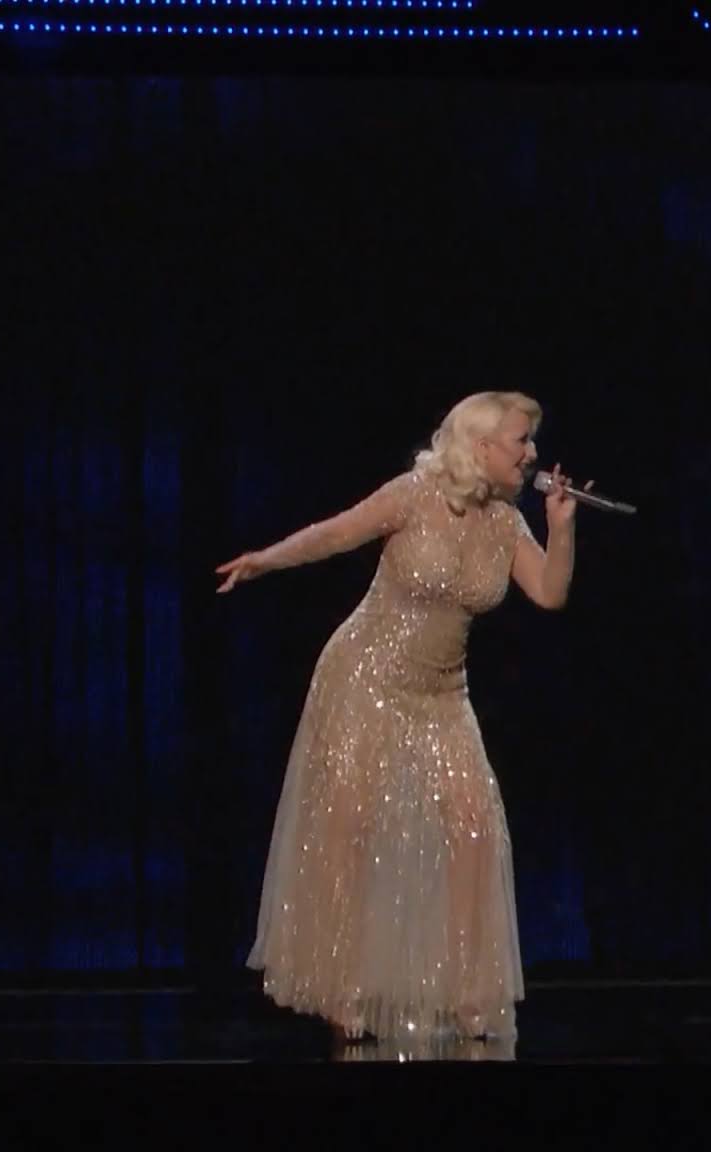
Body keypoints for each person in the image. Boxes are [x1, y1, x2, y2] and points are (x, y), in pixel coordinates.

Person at [214, 390, 588, 1052]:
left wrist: (560, 527)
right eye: (521, 440)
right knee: (350, 828)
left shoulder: (506, 522)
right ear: (480, 446)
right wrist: (264, 560)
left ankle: (470, 996)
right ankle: (342, 991)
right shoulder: (415, 495)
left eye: (531, 441)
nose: (532, 453)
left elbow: (550, 592)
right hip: (365, 678)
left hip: (443, 694)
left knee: (474, 827)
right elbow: (336, 533)